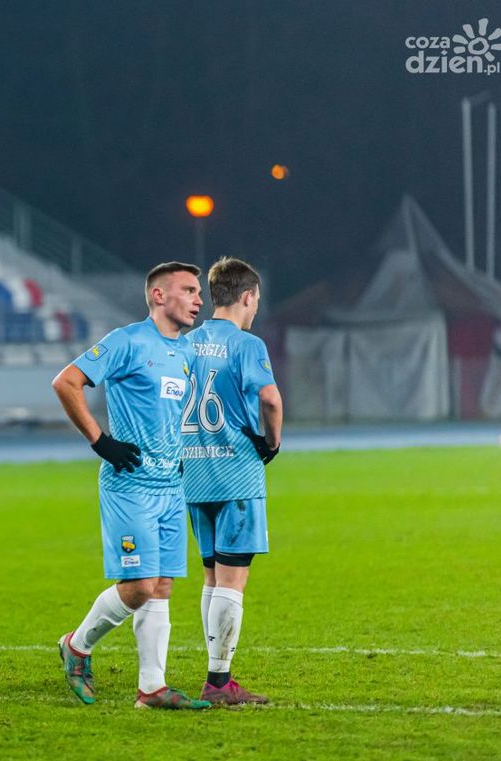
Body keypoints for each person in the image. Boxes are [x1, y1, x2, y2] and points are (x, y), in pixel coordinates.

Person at [52, 262, 210, 710]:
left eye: (200, 291)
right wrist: (100, 441)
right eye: (189, 290)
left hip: (169, 486)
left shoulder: (188, 353)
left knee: (161, 586)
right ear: (159, 296)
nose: (199, 299)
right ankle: (76, 646)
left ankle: (152, 689)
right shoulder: (127, 341)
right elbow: (66, 382)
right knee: (139, 585)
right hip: (131, 485)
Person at [181, 256, 282, 705]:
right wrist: (271, 443)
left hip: (194, 472)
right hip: (236, 474)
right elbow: (270, 399)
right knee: (232, 581)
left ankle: (216, 674)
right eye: (256, 300)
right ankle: (219, 683)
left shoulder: (186, 342)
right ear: (247, 297)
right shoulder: (247, 344)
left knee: (211, 577)